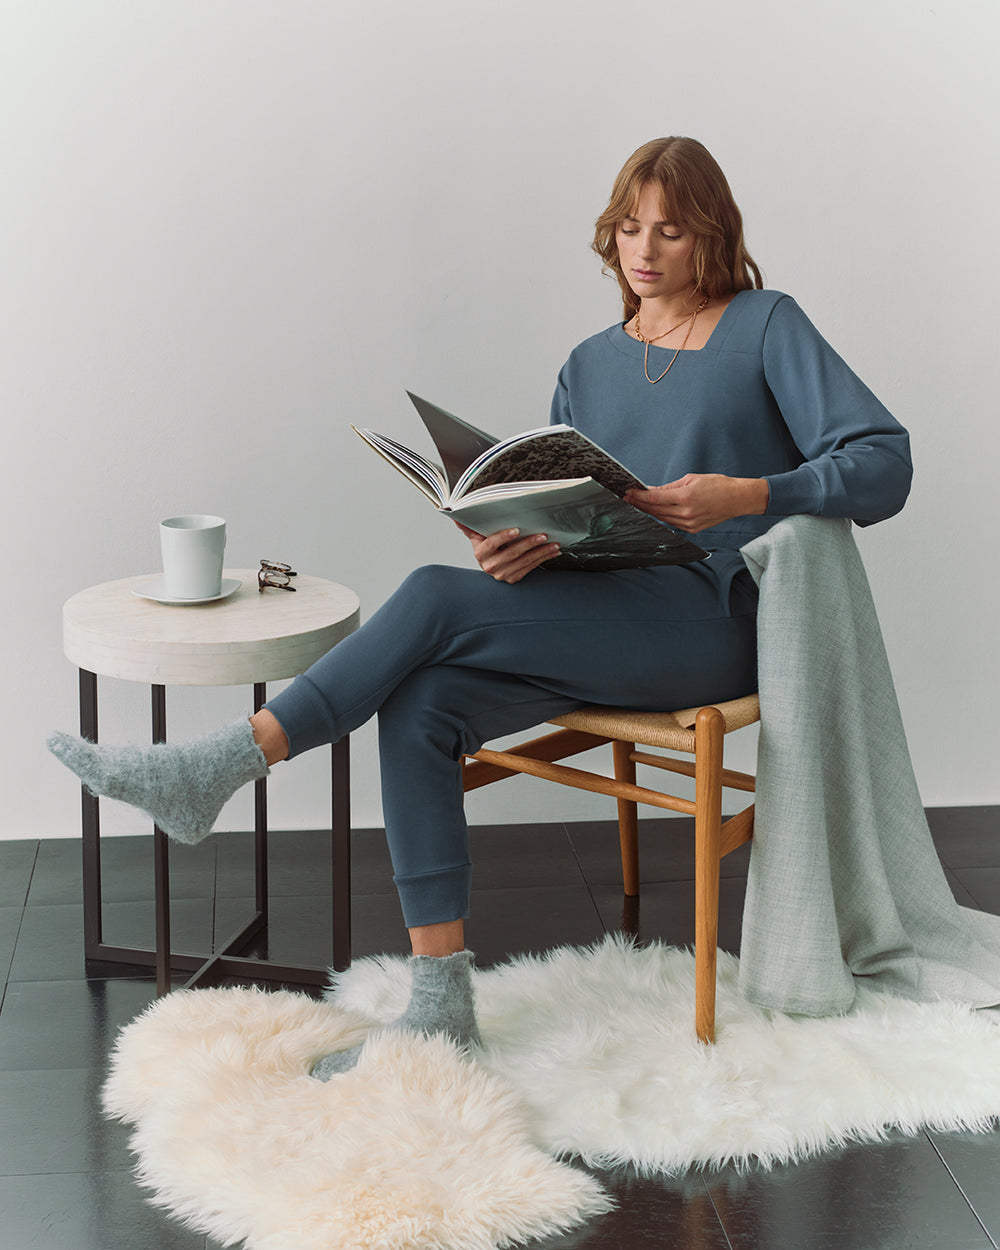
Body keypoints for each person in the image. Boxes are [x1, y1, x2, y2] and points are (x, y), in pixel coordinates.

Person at [48, 136, 912, 1077]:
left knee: (424, 596)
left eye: (670, 229)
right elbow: (580, 512)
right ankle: (440, 999)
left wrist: (747, 494)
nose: (646, 249)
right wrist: (518, 538)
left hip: (718, 620)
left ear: (713, 232)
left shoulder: (766, 325)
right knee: (425, 702)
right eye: (629, 228)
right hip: (614, 607)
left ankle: (221, 762)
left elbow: (885, 463)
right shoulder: (589, 362)